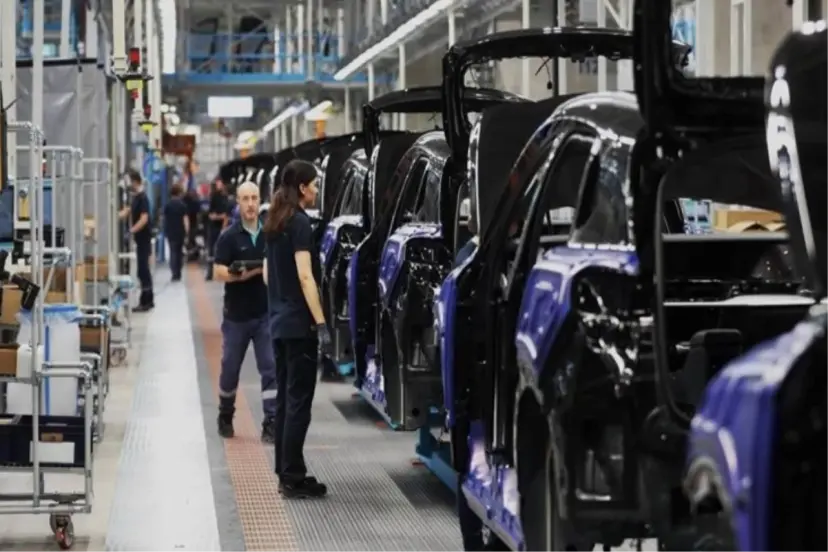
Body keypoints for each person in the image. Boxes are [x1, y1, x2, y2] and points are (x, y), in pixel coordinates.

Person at [263, 159, 331, 499]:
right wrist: (320, 322)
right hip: (299, 326)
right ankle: (292, 476)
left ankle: (285, 470)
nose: (316, 189)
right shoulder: (300, 223)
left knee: (285, 400)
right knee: (299, 403)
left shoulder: (275, 220)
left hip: (278, 322)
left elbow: (267, 274)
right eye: (314, 184)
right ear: (302, 188)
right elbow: (306, 276)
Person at [213, 181, 277, 443]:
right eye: (245, 199)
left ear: (260, 201)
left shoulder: (270, 234)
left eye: (254, 198)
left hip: (264, 316)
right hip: (236, 317)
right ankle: (225, 414)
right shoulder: (228, 237)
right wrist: (239, 275)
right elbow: (218, 271)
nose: (250, 204)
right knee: (230, 369)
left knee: (270, 368)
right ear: (238, 203)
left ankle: (271, 421)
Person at [119, 169, 154, 312]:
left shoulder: (143, 198)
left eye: (130, 182)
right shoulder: (136, 198)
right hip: (140, 240)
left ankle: (146, 301)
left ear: (135, 181)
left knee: (143, 270)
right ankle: (147, 300)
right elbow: (128, 210)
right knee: (142, 270)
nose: (129, 185)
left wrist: (131, 230)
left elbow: (144, 219)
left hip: (144, 239)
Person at [163, 183, 189, 282]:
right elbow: (185, 220)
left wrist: (165, 230)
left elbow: (164, 219)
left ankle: (174, 273)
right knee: (179, 252)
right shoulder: (182, 205)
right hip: (180, 232)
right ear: (179, 193)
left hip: (170, 232)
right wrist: (187, 232)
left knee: (173, 252)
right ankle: (178, 272)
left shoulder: (167, 205)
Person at [206, 178, 230, 280]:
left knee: (215, 250)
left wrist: (218, 217)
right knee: (213, 250)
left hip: (219, 227)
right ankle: (211, 272)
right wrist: (220, 217)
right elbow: (211, 215)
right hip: (215, 227)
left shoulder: (224, 198)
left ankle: (215, 272)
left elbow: (225, 215)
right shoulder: (215, 197)